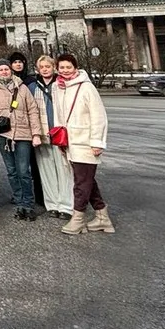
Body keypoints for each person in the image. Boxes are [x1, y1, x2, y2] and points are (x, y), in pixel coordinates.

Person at [52, 53, 114, 235]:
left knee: (81, 182)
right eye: (62, 67)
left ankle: (78, 219)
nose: (65, 70)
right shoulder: (58, 86)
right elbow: (58, 114)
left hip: (86, 142)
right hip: (70, 142)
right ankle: (103, 217)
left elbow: (99, 116)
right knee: (87, 180)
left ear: (75, 68)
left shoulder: (86, 87)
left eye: (68, 67)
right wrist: (59, 139)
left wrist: (97, 142)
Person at [0, 61, 43, 220]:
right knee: (11, 170)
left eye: (6, 69)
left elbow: (32, 110)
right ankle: (19, 200)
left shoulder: (22, 88)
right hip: (4, 134)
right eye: (1, 69)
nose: (4, 72)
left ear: (11, 71)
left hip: (23, 133)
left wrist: (36, 134)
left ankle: (28, 203)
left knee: (23, 171)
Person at [29, 55, 74, 218]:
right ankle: (52, 204)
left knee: (64, 170)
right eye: (42, 67)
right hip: (42, 133)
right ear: (38, 69)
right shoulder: (32, 87)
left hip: (60, 133)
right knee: (46, 171)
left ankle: (66, 205)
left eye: (47, 66)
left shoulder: (62, 84)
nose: (45, 69)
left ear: (53, 67)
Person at [9, 50, 45, 210]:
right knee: (18, 166)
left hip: (31, 125)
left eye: (20, 62)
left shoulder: (31, 81)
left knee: (34, 164)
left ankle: (40, 195)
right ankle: (21, 194)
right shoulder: (8, 81)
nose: (18, 64)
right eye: (15, 62)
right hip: (15, 128)